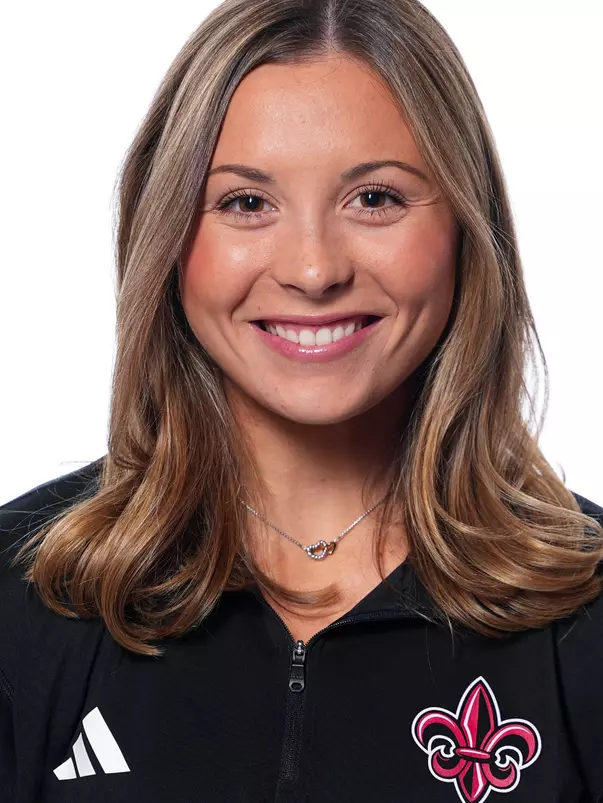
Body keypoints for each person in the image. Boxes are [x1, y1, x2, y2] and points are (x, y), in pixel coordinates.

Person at [1, 0, 602, 801]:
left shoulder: (585, 612)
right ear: (168, 236)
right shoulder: (22, 596)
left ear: (466, 225)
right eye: (247, 203)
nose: (314, 271)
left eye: (376, 198)